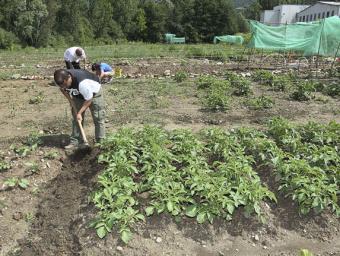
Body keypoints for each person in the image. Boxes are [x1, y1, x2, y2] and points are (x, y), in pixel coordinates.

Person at [54, 69, 105, 149]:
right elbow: (62, 90)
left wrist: (79, 113)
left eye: (66, 84)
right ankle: (76, 141)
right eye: (62, 85)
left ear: (69, 77)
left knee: (98, 117)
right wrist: (70, 100)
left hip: (94, 93)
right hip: (78, 95)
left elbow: (89, 99)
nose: (65, 87)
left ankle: (100, 142)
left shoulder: (82, 83)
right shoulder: (60, 80)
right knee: (76, 119)